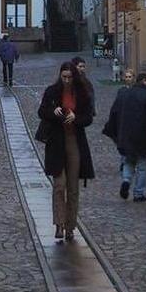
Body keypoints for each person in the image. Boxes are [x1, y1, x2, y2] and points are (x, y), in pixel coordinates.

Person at [38, 62, 95, 241]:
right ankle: (59, 224)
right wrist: (52, 111)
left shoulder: (82, 93)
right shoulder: (52, 91)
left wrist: (76, 118)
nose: (67, 80)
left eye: (70, 77)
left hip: (75, 142)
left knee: (73, 187)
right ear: (60, 76)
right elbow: (42, 111)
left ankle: (70, 226)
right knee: (59, 185)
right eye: (64, 77)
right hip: (56, 143)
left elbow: (88, 117)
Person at [103, 71, 146, 202]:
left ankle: (126, 180)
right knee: (142, 165)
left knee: (128, 160)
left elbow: (114, 113)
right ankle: (138, 193)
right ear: (145, 81)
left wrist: (114, 131)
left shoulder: (124, 94)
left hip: (125, 134)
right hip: (143, 136)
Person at [102, 68, 135, 173]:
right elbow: (116, 106)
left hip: (133, 120)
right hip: (122, 120)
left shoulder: (136, 91)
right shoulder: (121, 91)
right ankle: (125, 161)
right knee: (122, 142)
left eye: (130, 77)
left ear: (133, 78)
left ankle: (130, 162)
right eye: (126, 77)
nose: (128, 79)